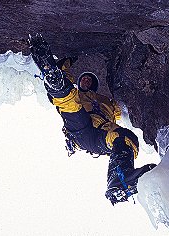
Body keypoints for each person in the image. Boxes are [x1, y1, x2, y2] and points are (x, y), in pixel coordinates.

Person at [28, 34, 156, 205]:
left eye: (90, 79)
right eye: (84, 79)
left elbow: (122, 110)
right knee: (70, 103)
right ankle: (55, 82)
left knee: (126, 137)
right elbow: (67, 80)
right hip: (81, 128)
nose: (86, 80)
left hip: (98, 135)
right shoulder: (79, 93)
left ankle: (120, 180)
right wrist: (67, 62)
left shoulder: (106, 102)